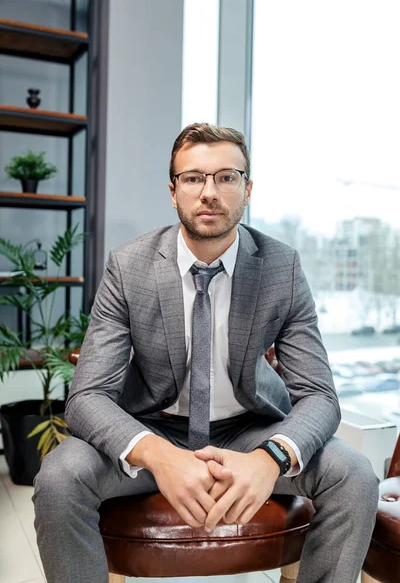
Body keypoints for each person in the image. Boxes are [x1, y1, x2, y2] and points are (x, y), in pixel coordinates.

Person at [33, 123, 379, 583]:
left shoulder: (282, 267)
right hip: (153, 426)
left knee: (354, 474)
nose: (209, 192)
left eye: (226, 177)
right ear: (173, 191)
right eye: (193, 178)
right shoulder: (128, 266)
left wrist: (268, 458)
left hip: (249, 431)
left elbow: (319, 395)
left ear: (247, 189)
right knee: (59, 479)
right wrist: (158, 455)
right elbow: (87, 396)